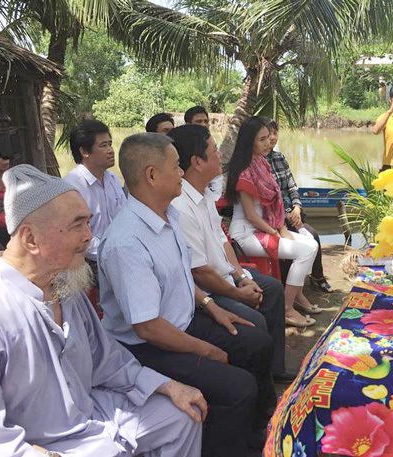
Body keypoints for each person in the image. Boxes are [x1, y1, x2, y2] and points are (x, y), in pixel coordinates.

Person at [0, 164, 205, 457]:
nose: (89, 236)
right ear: (30, 239)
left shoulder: (64, 283)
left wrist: (166, 385)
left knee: (181, 417)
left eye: (88, 223)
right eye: (78, 225)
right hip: (43, 444)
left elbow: (109, 362)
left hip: (95, 415)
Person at [98, 132, 275, 456]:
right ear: (152, 175)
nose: (182, 173)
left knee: (256, 342)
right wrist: (204, 350)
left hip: (182, 322)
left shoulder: (168, 217)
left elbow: (179, 279)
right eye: (176, 166)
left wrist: (212, 307)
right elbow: (147, 327)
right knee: (238, 388)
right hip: (147, 347)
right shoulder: (127, 242)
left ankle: (253, 434)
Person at [169, 124, 295, 383]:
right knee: (254, 322)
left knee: (271, 289)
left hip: (226, 278)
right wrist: (237, 293)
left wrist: (240, 275)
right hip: (207, 291)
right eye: (214, 151)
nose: (220, 156)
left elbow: (222, 241)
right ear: (197, 161)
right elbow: (200, 273)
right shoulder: (181, 205)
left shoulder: (202, 195)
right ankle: (259, 392)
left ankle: (273, 369)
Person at [226, 117, 319, 328]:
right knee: (303, 252)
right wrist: (275, 233)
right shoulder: (244, 173)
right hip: (246, 234)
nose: (269, 142)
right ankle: (287, 308)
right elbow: (251, 216)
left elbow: (272, 205)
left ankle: (295, 297)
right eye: (262, 139)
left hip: (264, 228)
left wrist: (282, 229)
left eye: (269, 137)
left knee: (311, 244)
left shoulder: (261, 164)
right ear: (249, 142)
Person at [265, 119, 333, 292]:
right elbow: (270, 196)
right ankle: (289, 288)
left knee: (314, 236)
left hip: (292, 213)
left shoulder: (280, 158)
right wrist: (287, 214)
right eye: (268, 134)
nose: (272, 138)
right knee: (292, 244)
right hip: (274, 218)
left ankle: (317, 277)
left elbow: (292, 187)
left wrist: (297, 208)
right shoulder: (257, 162)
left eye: (275, 133)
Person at [64, 120, 126, 272]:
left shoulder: (112, 179)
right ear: (84, 152)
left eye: (110, 144)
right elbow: (76, 235)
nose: (111, 150)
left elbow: (125, 217)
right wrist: (112, 253)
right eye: (103, 146)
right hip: (87, 262)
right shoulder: (72, 186)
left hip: (119, 254)